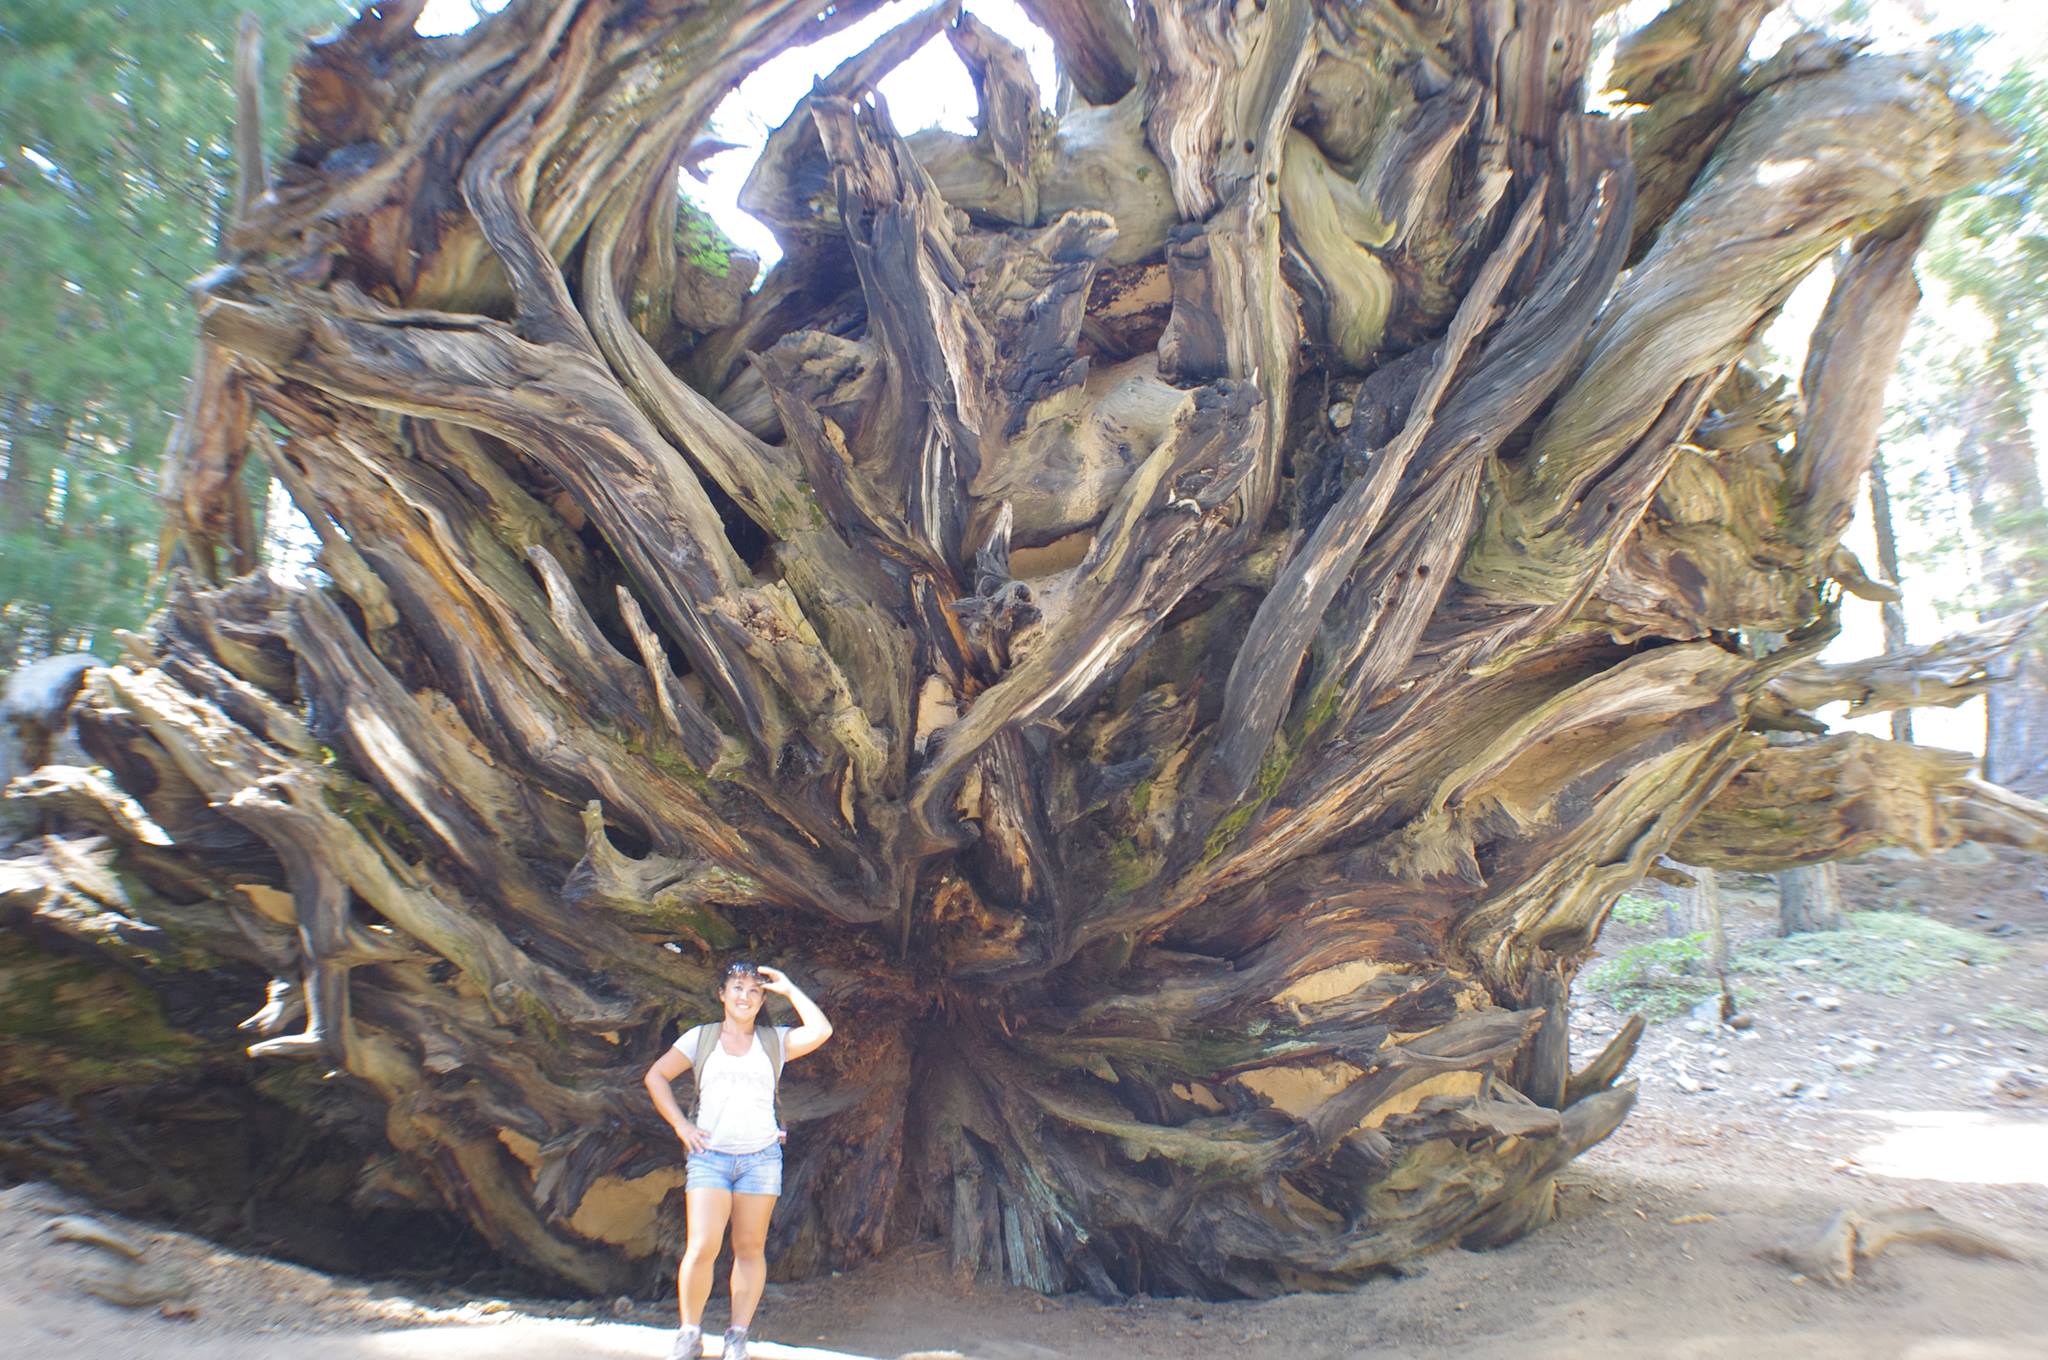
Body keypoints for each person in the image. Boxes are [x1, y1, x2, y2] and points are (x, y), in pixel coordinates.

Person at [643, 961, 832, 1360]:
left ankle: (737, 1336)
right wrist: (681, 1125)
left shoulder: (773, 1041)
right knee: (703, 1245)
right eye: (737, 988)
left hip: (760, 1159)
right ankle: (689, 1333)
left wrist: (790, 988)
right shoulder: (701, 1039)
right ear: (722, 994)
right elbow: (656, 1076)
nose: (744, 996)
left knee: (749, 1247)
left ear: (762, 999)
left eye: (753, 990)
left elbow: (821, 1032)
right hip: (709, 1157)